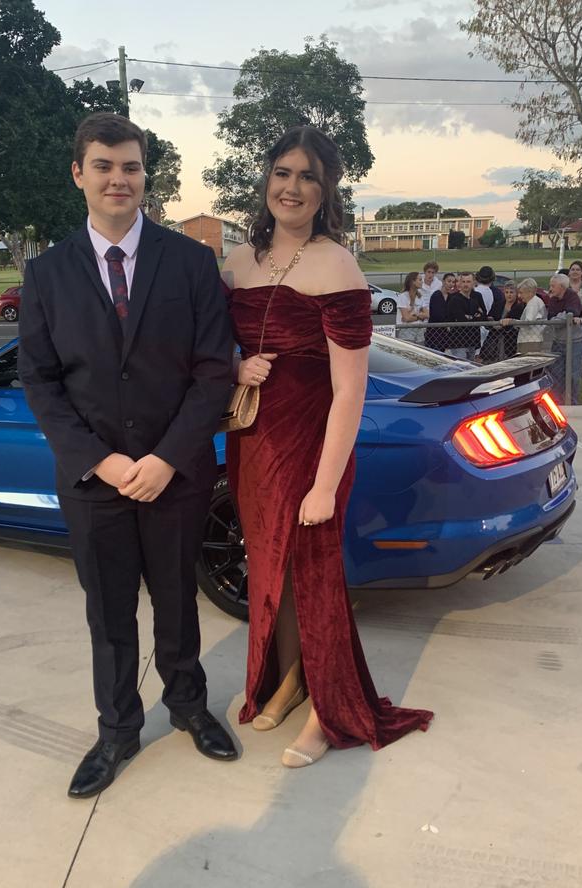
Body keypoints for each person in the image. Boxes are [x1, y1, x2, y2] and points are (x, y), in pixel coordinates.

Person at [18, 112, 237, 799]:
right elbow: (41, 381)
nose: (120, 178)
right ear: (78, 174)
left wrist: (168, 457)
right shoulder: (47, 273)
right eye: (105, 165)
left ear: (146, 175)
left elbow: (213, 371)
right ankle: (116, 730)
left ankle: (189, 706)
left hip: (174, 475)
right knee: (109, 614)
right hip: (94, 482)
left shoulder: (191, 263)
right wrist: (103, 461)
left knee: (177, 601)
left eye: (132, 166)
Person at [222, 125, 433, 768]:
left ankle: (328, 712)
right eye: (282, 173)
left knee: (315, 580)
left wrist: (323, 482)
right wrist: (235, 369)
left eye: (308, 176)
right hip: (254, 443)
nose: (292, 187)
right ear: (266, 181)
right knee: (272, 573)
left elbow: (351, 391)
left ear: (325, 190)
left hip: (315, 449)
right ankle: (288, 682)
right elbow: (207, 349)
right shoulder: (237, 261)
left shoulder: (337, 264)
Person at [547, 273, 582, 403]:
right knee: (556, 374)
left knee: (573, 375)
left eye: (553, 286)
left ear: (562, 287)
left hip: (575, 342)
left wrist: (561, 319)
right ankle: (557, 403)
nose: (550, 288)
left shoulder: (572, 296)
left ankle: (572, 403)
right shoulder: (553, 299)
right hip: (558, 341)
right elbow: (551, 319)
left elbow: (572, 313)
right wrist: (563, 318)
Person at [445, 271, 485, 359]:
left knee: (471, 366)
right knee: (461, 366)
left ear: (473, 283)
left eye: (468, 282)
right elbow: (461, 319)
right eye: (463, 282)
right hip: (458, 341)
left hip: (473, 339)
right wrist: (474, 316)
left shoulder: (476, 297)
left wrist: (470, 317)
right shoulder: (454, 299)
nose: (465, 284)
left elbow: (483, 315)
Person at [487, 281, 525, 361]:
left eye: (511, 292)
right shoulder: (498, 304)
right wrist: (492, 321)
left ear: (516, 293)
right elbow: (489, 316)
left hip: (511, 340)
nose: (509, 294)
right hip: (495, 338)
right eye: (506, 292)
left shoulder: (519, 307)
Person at [425, 271, 456, 350]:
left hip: (445, 335)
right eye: (449, 281)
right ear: (443, 281)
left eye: (453, 282)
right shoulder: (436, 295)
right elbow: (437, 315)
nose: (451, 284)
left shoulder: (451, 297)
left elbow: (453, 314)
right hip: (434, 333)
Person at [395, 270, 428, 343]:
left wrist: (415, 315)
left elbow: (427, 314)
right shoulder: (403, 296)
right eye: (419, 280)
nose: (422, 282)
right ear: (413, 281)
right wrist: (420, 316)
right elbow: (406, 318)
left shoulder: (420, 297)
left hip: (420, 331)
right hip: (406, 331)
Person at [516, 278, 547, 354]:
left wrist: (514, 322)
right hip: (532, 339)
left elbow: (528, 322)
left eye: (521, 293)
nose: (519, 296)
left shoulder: (533, 304)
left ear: (530, 292)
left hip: (530, 341)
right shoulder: (535, 301)